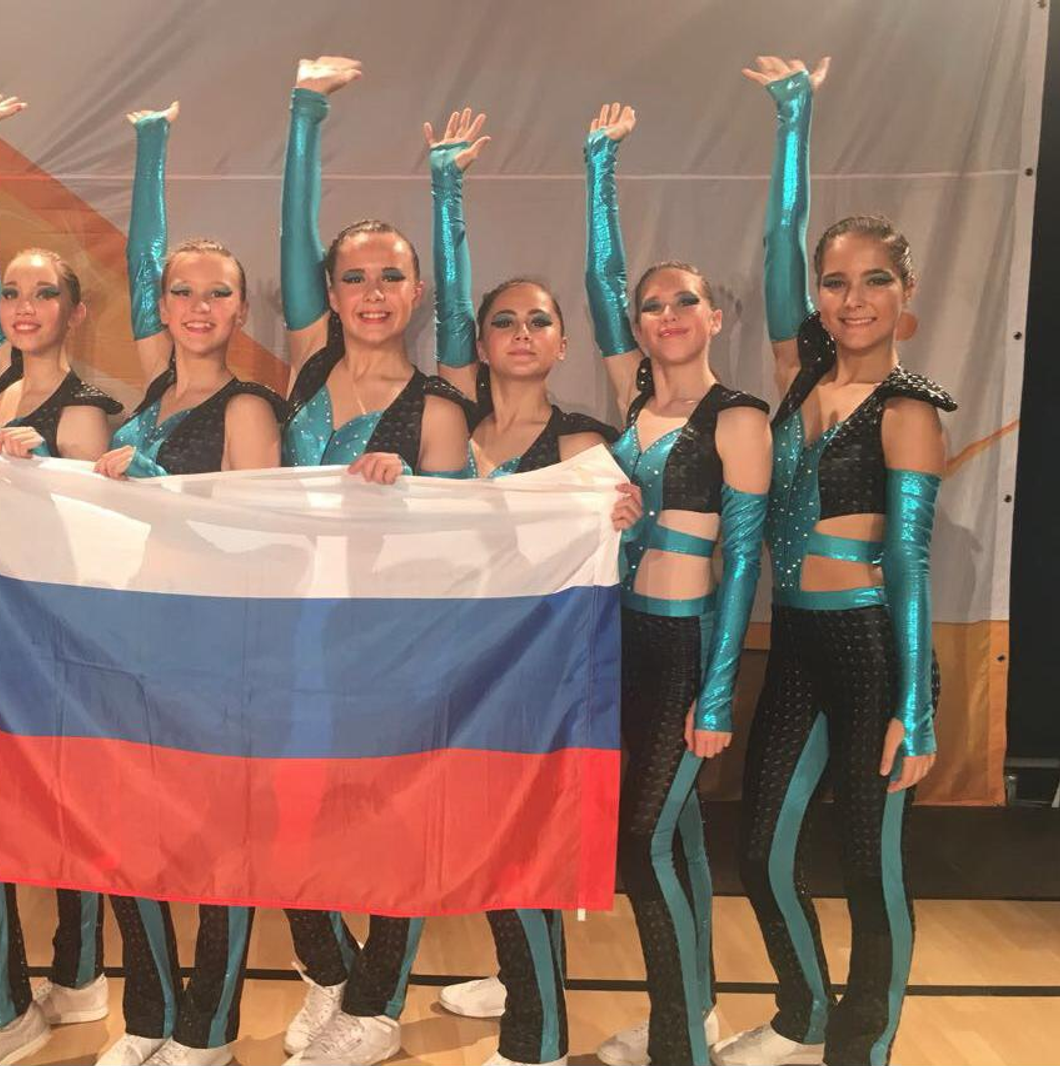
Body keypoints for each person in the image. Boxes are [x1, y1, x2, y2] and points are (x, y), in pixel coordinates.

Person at [712, 56, 954, 1066]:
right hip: (799, 646)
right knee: (760, 851)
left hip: (873, 652)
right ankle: (803, 1012)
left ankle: (863, 1045)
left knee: (866, 863)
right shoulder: (794, 376)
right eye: (836, 281)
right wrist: (791, 123)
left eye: (875, 281)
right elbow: (778, 244)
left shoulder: (908, 411)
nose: (853, 299)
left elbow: (909, 561)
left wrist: (917, 704)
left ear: (906, 292)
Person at [420, 108, 638, 1066]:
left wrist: (624, 517)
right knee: (481, 843)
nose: (519, 332)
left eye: (538, 321)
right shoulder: (444, 433)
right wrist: (447, 185)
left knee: (523, 846)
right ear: (478, 342)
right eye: (502, 321)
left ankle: (536, 1035)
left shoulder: (583, 442)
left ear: (562, 345)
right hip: (459, 669)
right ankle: (520, 980)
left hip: (540, 682)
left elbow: (614, 558)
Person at [274, 56, 474, 1066]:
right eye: (352, 275)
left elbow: (452, 551)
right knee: (286, 819)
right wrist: (306, 109)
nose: (371, 292)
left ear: (418, 291)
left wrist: (406, 500)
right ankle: (327, 969)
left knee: (392, 825)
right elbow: (290, 235)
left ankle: (376, 1001)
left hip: (394, 645)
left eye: (392, 275)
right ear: (329, 291)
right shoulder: (306, 370)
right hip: (299, 631)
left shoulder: (437, 406)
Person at [86, 102, 287, 1066]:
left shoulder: (250, 404)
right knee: (134, 835)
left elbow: (253, 533)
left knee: (215, 846)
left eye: (218, 294)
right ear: (160, 307)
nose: (198, 306)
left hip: (219, 649)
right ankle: (149, 1016)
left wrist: (156, 478)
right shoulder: (150, 398)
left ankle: (206, 1031)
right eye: (181, 291)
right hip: (140, 641)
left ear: (240, 312)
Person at [0, 92, 123, 1066]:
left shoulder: (83, 407)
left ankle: (28, 996)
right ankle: (74, 975)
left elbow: (87, 533)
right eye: (12, 292)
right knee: (21, 809)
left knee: (44, 812)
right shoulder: (1, 387)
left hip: (52, 636)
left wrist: (40, 465)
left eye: (43, 293)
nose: (21, 305)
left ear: (73, 311)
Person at [580, 100, 773, 1066]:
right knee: (680, 836)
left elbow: (745, 560)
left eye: (685, 301)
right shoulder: (631, 405)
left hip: (692, 642)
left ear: (715, 316)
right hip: (626, 640)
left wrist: (720, 689)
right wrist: (599, 167)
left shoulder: (738, 419)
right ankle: (690, 1015)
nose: (667, 315)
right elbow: (599, 279)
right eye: (653, 305)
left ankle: (674, 1041)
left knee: (646, 842)